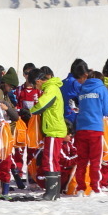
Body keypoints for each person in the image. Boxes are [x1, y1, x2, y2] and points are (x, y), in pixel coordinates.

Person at [71, 59, 108, 195]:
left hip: (81, 128)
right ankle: (95, 188)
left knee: (82, 160)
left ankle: (80, 188)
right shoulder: (101, 89)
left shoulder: (82, 88)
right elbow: (107, 110)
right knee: (95, 160)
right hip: (95, 128)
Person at [29, 66, 68, 201]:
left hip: (53, 129)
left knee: (49, 160)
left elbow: (42, 104)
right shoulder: (52, 87)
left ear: (38, 81)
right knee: (54, 160)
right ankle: (54, 192)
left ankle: (51, 192)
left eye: (34, 85)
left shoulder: (50, 89)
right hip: (54, 129)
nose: (36, 88)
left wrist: (29, 112)